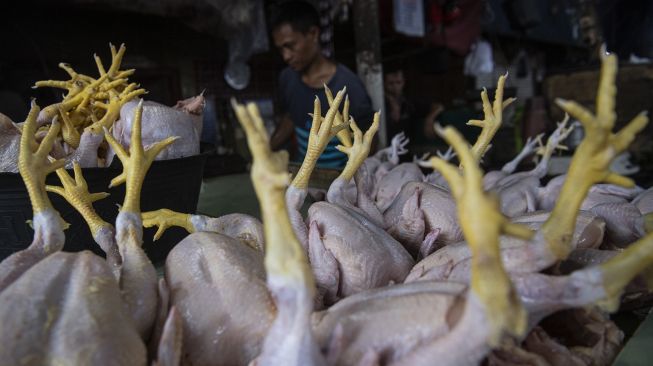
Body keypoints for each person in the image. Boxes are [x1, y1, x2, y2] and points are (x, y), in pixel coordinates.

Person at [269, 0, 374, 168]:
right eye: (281, 49)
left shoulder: (349, 88)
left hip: (339, 183)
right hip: (303, 179)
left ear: (313, 33)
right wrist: (265, 151)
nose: (286, 56)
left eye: (290, 46)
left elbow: (369, 143)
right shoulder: (287, 79)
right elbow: (291, 116)